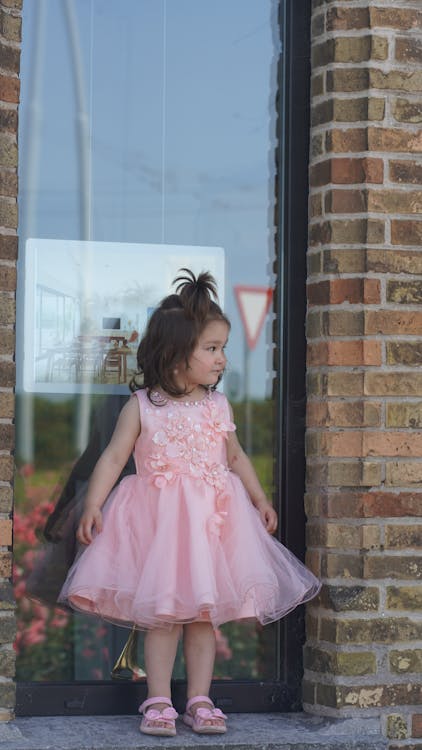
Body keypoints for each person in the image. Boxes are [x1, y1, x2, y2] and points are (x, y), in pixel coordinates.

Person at [58, 268, 320, 737]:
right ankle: (158, 699)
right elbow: (114, 457)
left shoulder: (218, 406)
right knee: (163, 617)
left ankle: (199, 699)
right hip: (161, 527)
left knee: (203, 619)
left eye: (223, 348)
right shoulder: (142, 406)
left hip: (209, 526)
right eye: (212, 349)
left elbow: (235, 457)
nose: (223, 360)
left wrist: (259, 499)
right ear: (177, 355)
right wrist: (94, 504)